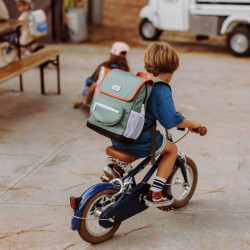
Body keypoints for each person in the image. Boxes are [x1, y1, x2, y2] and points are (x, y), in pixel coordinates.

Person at [104, 41, 202, 208]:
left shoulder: (140, 79)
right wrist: (192, 124)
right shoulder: (160, 89)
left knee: (145, 148)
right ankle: (156, 193)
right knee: (171, 150)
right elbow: (170, 119)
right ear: (171, 70)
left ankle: (117, 167)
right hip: (139, 139)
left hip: (119, 134)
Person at [73, 42, 130, 108]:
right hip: (115, 103)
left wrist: (85, 99)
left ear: (111, 53)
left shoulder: (103, 67)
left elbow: (94, 84)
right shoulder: (126, 71)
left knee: (87, 80)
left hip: (97, 100)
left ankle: (88, 100)